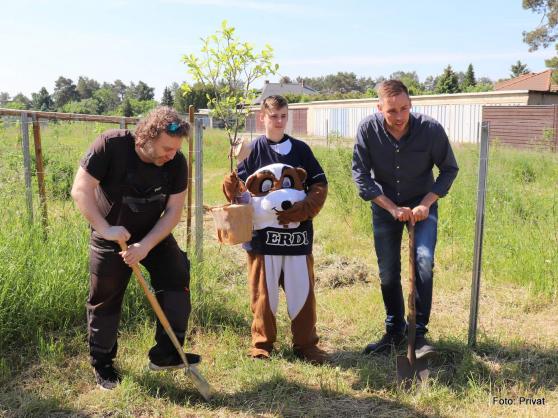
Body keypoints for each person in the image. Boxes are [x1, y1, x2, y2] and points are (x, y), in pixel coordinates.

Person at [71, 106, 199, 390]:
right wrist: (105, 229)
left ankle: (166, 354)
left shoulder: (175, 162)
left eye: (175, 149)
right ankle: (103, 364)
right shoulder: (110, 145)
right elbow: (80, 189)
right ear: (146, 138)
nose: (171, 155)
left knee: (177, 275)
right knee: (105, 297)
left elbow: (174, 211)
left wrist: (146, 245)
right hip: (111, 235)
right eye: (166, 148)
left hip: (154, 234)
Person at [352, 80, 459, 358]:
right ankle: (394, 331)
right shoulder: (368, 129)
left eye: (404, 109)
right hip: (385, 208)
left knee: (423, 263)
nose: (399, 117)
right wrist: (390, 208)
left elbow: (448, 169)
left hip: (422, 207)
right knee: (388, 272)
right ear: (379, 108)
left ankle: (419, 335)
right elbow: (361, 176)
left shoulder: (430, 129)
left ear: (410, 104)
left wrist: (426, 203)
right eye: (392, 111)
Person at [222, 95, 329, 364]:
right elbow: (240, 194)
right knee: (263, 294)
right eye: (273, 117)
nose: (279, 121)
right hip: (263, 240)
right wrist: (231, 184)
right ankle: (262, 344)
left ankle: (306, 344)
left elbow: (319, 184)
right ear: (262, 118)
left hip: (296, 238)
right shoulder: (252, 150)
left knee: (302, 291)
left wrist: (306, 209)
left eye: (283, 116)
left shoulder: (301, 149)